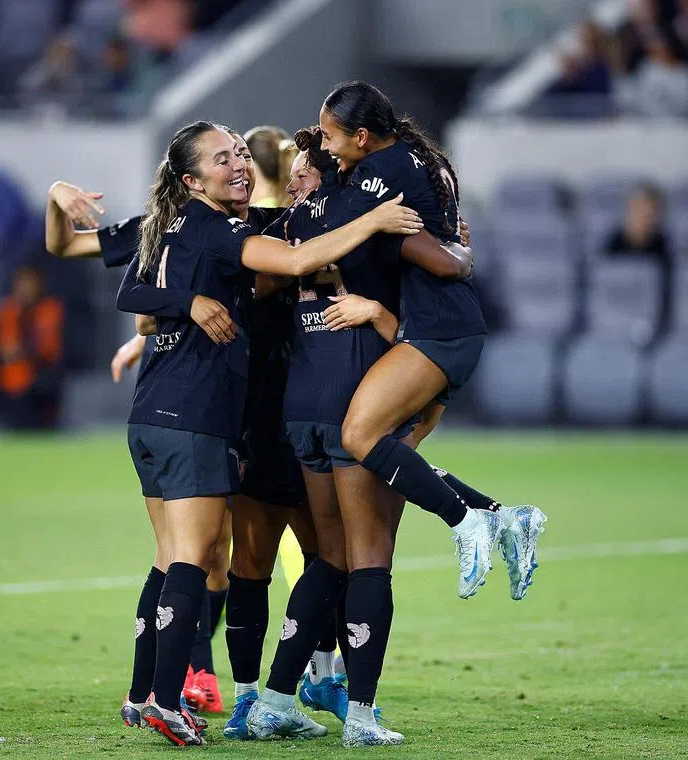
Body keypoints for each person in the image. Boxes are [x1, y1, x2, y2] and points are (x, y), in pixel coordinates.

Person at [57, 120, 423, 747]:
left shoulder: (185, 224)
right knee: (218, 562)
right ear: (194, 177)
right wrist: (379, 220)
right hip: (220, 414)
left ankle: (157, 692)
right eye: (229, 157)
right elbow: (290, 262)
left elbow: (118, 277)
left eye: (249, 158)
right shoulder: (233, 229)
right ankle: (208, 695)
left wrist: (59, 198)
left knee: (191, 558)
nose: (246, 167)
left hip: (173, 410)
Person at [304, 82, 546, 743]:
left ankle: (467, 518)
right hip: (429, 332)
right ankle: (503, 517)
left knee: (360, 438)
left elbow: (403, 247)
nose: (322, 153)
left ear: (360, 136)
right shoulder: (409, 164)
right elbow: (439, 245)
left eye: (327, 139)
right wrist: (451, 254)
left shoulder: (380, 173)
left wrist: (430, 271)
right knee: (387, 473)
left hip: (433, 334)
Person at [246, 126, 479, 746]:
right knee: (370, 559)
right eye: (293, 170)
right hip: (354, 405)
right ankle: (364, 718)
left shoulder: (288, 229)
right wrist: (454, 253)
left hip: (302, 408)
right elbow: (421, 312)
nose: (294, 178)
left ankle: (272, 699)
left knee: (331, 557)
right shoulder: (370, 223)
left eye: (302, 169)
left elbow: (258, 283)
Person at [0, 265, 63, 430]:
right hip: (14, 379)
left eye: (30, 281)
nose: (26, 287)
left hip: (43, 377)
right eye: (22, 282)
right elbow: (7, 350)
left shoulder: (50, 309)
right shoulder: (8, 309)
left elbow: (50, 349)